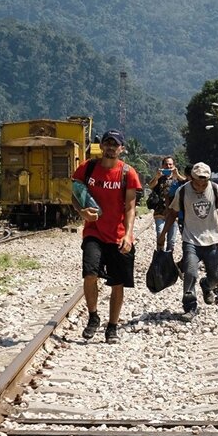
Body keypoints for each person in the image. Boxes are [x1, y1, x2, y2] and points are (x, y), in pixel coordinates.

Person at [71, 129, 141, 344]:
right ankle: (93, 317)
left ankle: (112, 326)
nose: (111, 147)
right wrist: (81, 212)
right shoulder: (88, 167)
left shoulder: (128, 173)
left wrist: (128, 235)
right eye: (107, 143)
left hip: (118, 235)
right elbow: (75, 194)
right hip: (94, 232)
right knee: (90, 274)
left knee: (117, 283)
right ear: (101, 146)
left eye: (115, 144)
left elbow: (130, 207)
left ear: (121, 148)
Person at [159, 162, 218, 322]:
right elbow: (172, 213)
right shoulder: (183, 191)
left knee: (216, 275)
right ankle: (190, 306)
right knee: (190, 272)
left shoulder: (214, 189)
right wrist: (163, 233)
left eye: (203, 182)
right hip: (191, 239)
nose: (200, 185)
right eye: (197, 182)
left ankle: (206, 285)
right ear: (191, 178)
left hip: (212, 240)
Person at [146, 156, 183, 253]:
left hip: (173, 214)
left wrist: (177, 175)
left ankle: (168, 259)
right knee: (160, 234)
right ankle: (160, 256)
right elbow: (150, 186)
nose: (168, 166)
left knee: (171, 240)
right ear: (162, 166)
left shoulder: (177, 179)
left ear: (174, 166)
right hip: (160, 212)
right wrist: (157, 177)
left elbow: (187, 183)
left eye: (170, 164)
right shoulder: (159, 178)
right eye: (166, 164)